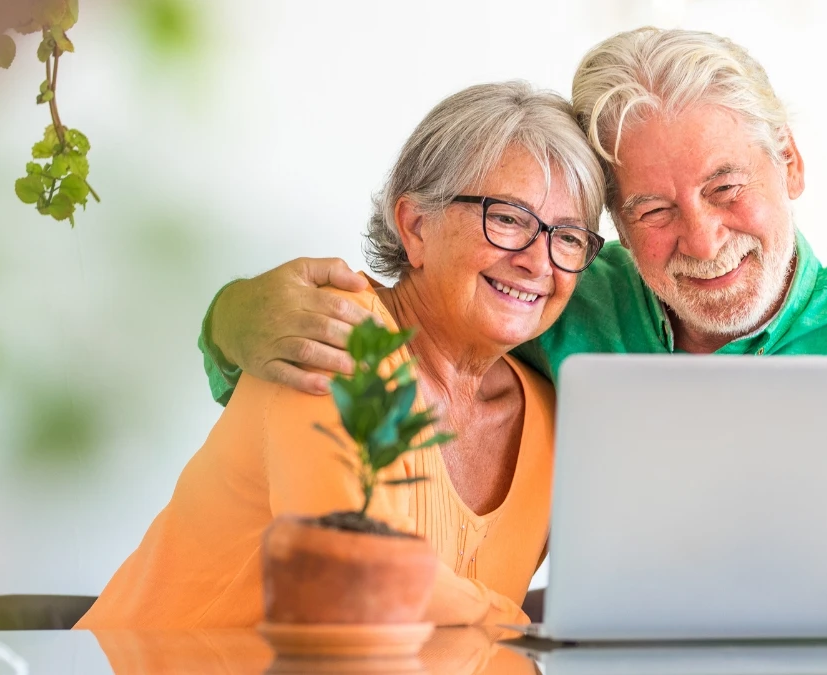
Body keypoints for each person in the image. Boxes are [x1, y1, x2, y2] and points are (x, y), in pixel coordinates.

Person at [196, 28, 827, 639]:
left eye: (726, 188)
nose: (705, 240)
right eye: (653, 208)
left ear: (789, 164)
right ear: (611, 221)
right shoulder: (563, 293)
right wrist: (230, 316)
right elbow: (409, 331)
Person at [74, 81, 606, 629]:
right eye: (509, 218)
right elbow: (353, 579)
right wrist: (529, 632)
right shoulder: (332, 332)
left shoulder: (549, 415)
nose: (538, 262)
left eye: (568, 237)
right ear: (416, 226)